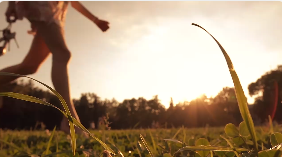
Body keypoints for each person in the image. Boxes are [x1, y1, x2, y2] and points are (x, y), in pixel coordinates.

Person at [1, 1, 110, 135]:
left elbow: (73, 2)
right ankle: (70, 119)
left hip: (55, 11)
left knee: (29, 66)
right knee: (62, 54)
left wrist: (96, 20)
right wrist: (11, 4)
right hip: (42, 5)